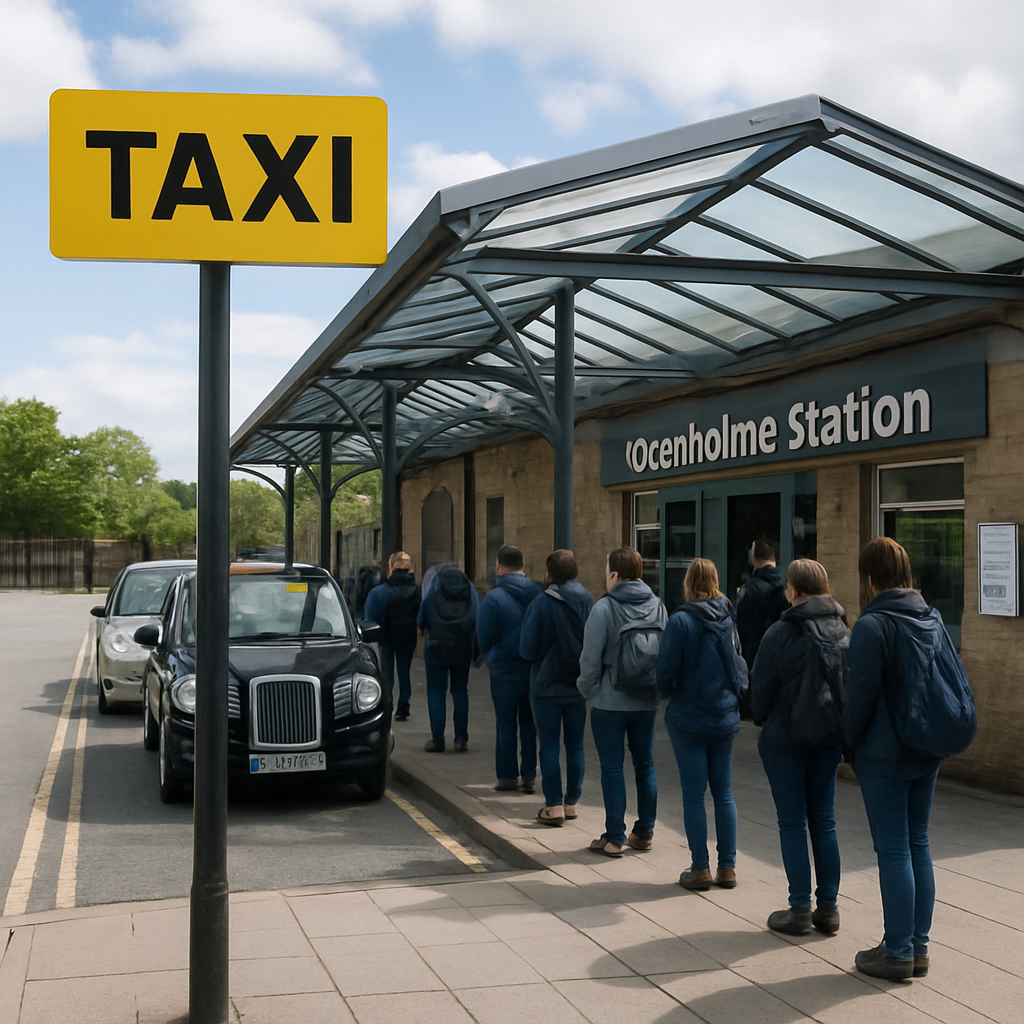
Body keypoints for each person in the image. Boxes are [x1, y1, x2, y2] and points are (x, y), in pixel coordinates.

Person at [845, 537, 952, 982]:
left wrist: (848, 746)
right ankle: (918, 946)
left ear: (870, 579)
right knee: (917, 843)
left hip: (884, 754)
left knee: (892, 848)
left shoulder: (872, 626)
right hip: (925, 746)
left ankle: (897, 951)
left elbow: (859, 698)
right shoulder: (932, 617)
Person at [750, 558, 849, 936]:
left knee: (792, 822)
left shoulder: (781, 631)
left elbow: (760, 688)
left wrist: (765, 720)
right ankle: (829, 907)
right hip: (827, 738)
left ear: (793, 590)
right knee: (824, 821)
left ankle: (799, 908)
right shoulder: (844, 629)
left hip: (786, 740)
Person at [656, 558, 748, 890]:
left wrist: (668, 693)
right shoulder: (728, 616)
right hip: (724, 715)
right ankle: (728, 868)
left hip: (689, 717)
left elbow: (665, 672)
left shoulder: (681, 621)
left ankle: (700, 868)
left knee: (694, 795)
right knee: (723, 791)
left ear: (688, 583)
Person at [577, 547, 665, 857]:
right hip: (647, 700)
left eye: (606, 570)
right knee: (646, 764)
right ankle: (645, 832)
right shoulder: (658, 606)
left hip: (611, 702)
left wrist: (589, 690)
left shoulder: (604, 608)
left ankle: (615, 837)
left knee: (612, 768)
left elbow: (590, 659)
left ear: (615, 574)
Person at [519, 549, 592, 827]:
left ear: (549, 574)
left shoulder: (541, 603)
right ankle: (571, 802)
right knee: (575, 745)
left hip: (547, 684)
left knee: (549, 745)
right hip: (577, 684)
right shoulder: (587, 600)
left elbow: (527, 648)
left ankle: (553, 806)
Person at [476, 545, 542, 793]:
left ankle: (507, 776)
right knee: (529, 724)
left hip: (504, 671)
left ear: (499, 567)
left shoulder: (493, 598)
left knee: (505, 724)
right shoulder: (539, 594)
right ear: (523, 567)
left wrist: (491, 654)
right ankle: (529, 775)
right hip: (532, 669)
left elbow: (483, 636)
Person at [416, 564, 479, 752]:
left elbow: (421, 619)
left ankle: (438, 738)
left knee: (436, 691)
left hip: (436, 648)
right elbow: (477, 616)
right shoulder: (470, 594)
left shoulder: (433, 594)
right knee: (460, 691)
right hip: (461, 648)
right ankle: (461, 739)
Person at [363, 551, 421, 721]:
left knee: (387, 672)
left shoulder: (380, 591)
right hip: (408, 636)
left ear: (390, 567)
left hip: (386, 637)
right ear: (410, 568)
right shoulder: (417, 590)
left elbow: (370, 618)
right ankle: (404, 704)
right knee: (405, 670)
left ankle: (387, 702)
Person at [734, 540, 789, 670]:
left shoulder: (750, 589)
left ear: (754, 560)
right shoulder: (788, 586)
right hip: (782, 657)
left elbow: (741, 626)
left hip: (754, 658)